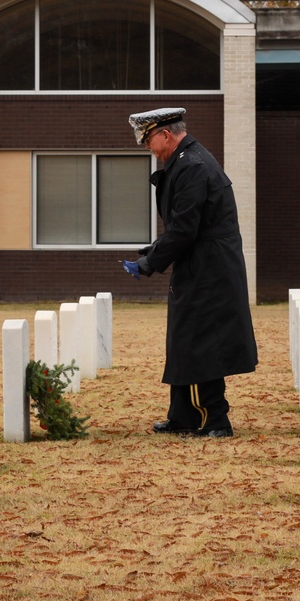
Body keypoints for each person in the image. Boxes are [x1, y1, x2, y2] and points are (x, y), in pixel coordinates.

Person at [121, 107, 258, 438]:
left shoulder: (192, 165)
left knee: (200, 343)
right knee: (186, 341)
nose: (149, 148)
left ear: (166, 135)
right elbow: (185, 225)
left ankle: (213, 419)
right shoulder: (186, 161)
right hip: (202, 263)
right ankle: (183, 415)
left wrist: (150, 263)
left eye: (149, 140)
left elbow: (184, 229)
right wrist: (155, 251)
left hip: (208, 269)